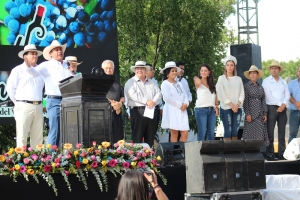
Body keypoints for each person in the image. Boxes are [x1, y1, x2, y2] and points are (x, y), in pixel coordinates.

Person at [27, 40, 74, 147]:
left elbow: (74, 80)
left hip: (69, 100)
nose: (59, 52)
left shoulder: (67, 65)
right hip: (54, 100)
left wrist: (73, 72)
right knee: (55, 129)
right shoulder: (46, 65)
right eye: (56, 50)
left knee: (68, 129)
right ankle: (52, 157)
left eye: (60, 49)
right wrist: (28, 66)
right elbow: (35, 73)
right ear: (51, 54)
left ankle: (65, 156)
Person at [6, 44, 44, 149]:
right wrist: (18, 103)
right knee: (22, 136)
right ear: (25, 56)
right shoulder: (17, 70)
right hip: (23, 105)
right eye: (32, 54)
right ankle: (21, 163)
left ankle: (37, 162)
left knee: (38, 138)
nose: (35, 56)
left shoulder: (40, 71)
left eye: (36, 54)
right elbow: (10, 89)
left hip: (38, 106)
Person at [124, 61, 162, 147]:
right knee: (137, 138)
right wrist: (147, 101)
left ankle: (149, 158)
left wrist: (153, 102)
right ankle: (137, 159)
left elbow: (159, 93)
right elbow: (132, 95)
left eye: (142, 68)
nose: (140, 70)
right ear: (135, 70)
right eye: (138, 68)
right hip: (138, 112)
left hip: (152, 111)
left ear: (145, 70)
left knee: (150, 138)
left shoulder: (152, 82)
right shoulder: (130, 82)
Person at [262, 60, 290, 161]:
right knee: (270, 132)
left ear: (279, 70)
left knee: (282, 133)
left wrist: (283, 105)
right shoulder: (266, 81)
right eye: (272, 68)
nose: (274, 70)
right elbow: (268, 95)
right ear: (270, 70)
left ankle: (282, 153)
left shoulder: (283, 81)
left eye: (276, 68)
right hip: (271, 108)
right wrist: (280, 104)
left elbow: (287, 94)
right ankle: (270, 154)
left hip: (282, 108)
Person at [216, 55, 244, 141]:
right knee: (228, 131)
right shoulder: (221, 78)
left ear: (234, 67)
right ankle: (227, 152)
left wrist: (237, 105)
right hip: (226, 108)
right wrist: (231, 105)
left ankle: (234, 152)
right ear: (225, 66)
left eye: (231, 65)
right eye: (228, 65)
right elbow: (220, 93)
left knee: (235, 131)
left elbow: (242, 93)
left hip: (237, 108)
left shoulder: (238, 79)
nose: (229, 67)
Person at [161, 61, 189, 142]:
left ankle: (181, 151)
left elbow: (185, 95)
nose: (174, 72)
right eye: (172, 71)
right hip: (172, 110)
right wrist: (180, 105)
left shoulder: (179, 83)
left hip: (182, 110)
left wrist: (186, 103)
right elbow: (167, 98)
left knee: (185, 133)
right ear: (167, 73)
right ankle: (174, 153)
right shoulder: (165, 84)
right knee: (174, 133)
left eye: (175, 71)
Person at [242, 65, 269, 147]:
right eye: (251, 73)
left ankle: (258, 154)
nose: (253, 75)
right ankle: (249, 155)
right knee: (249, 135)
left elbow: (263, 100)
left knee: (259, 136)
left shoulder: (261, 87)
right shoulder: (246, 87)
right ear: (249, 75)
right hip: (251, 114)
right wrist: (248, 114)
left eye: (254, 73)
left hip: (260, 114)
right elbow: (245, 101)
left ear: (257, 75)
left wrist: (265, 113)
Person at [102, 60, 125, 143]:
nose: (108, 70)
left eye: (110, 68)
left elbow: (122, 96)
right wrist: (112, 103)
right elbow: (100, 95)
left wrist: (120, 104)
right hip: (103, 116)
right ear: (102, 69)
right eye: (106, 68)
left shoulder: (117, 84)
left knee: (118, 140)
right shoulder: (98, 82)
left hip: (116, 115)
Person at [193, 64, 218, 141]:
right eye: (202, 70)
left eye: (205, 71)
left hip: (212, 110)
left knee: (211, 134)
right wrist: (196, 77)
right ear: (200, 72)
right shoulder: (198, 82)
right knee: (202, 133)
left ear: (209, 72)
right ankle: (200, 152)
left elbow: (215, 97)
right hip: (201, 110)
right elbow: (196, 80)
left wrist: (217, 107)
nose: (203, 72)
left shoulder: (213, 85)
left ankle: (211, 152)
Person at [287, 67, 300, 143]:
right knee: (292, 134)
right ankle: (291, 154)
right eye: (299, 71)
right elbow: (288, 95)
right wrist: (296, 104)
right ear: (297, 72)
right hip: (294, 113)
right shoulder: (292, 83)